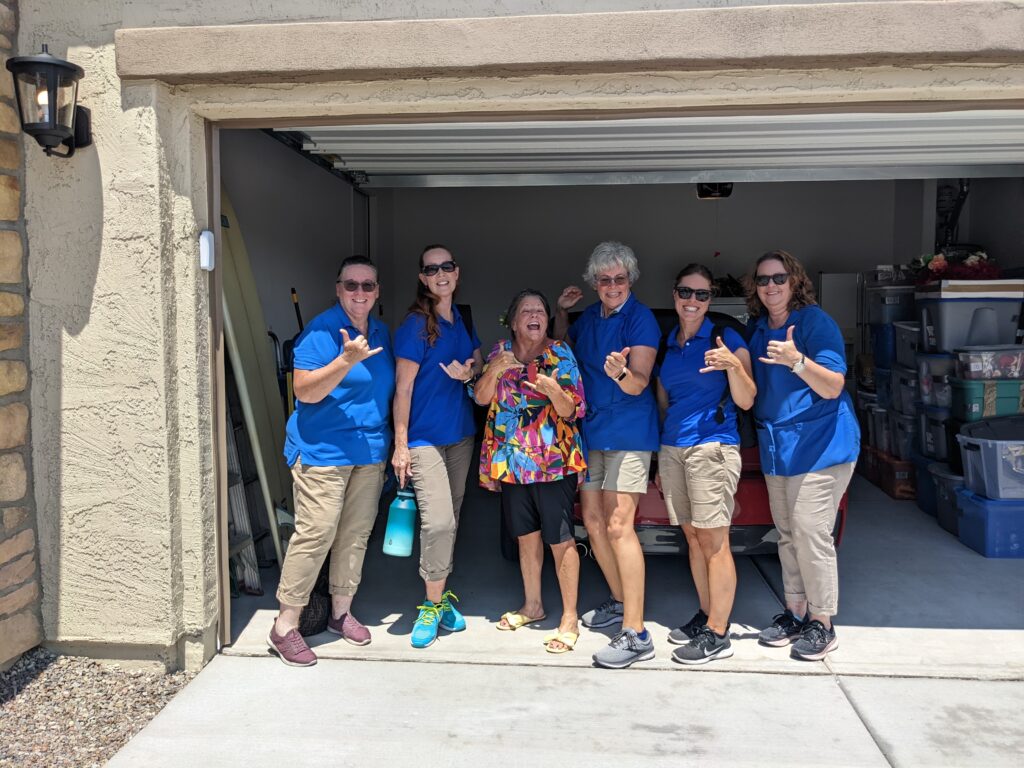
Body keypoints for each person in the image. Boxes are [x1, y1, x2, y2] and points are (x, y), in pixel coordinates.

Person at [268, 255, 394, 667]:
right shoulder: (321, 332)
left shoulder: (381, 332)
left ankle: (341, 612)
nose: (360, 292)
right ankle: (285, 625)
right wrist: (345, 360)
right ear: (338, 289)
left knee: (355, 534)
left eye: (368, 285)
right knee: (316, 533)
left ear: (377, 291)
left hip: (369, 452)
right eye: (351, 285)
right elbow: (304, 392)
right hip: (323, 453)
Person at [747, 250, 860, 661]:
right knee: (788, 534)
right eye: (763, 280)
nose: (771, 286)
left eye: (779, 278)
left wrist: (796, 361)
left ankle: (822, 623)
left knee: (811, 533)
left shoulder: (815, 322)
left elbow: (832, 386)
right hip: (779, 447)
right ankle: (795, 613)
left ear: (794, 281)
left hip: (822, 446)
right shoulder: (758, 329)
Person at [554, 241, 661, 669]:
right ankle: (619, 601)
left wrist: (621, 373)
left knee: (619, 526)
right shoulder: (590, 318)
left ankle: (636, 633)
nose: (612, 285)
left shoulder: (641, 319)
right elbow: (560, 348)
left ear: (630, 279)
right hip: (592, 431)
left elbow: (639, 383)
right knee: (594, 522)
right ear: (594, 283)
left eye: (619, 278)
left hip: (630, 432)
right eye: (604, 279)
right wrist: (561, 312)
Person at [474, 290, 587, 654]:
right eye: (526, 311)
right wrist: (496, 368)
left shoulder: (560, 353)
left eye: (540, 310)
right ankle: (533, 605)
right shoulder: (500, 351)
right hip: (513, 462)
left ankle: (570, 618)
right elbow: (481, 398)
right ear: (513, 320)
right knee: (526, 537)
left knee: (560, 539)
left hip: (553, 462)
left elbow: (573, 410)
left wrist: (553, 389)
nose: (534, 315)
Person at [654, 264, 756, 665]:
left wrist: (733, 365)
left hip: (712, 448)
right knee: (693, 538)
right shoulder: (669, 342)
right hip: (674, 448)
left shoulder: (725, 337)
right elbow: (665, 402)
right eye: (686, 292)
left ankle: (718, 632)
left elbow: (746, 398)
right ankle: (706, 613)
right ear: (675, 295)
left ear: (710, 299)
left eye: (701, 294)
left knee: (715, 542)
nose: (692, 301)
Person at [392, 244, 483, 649]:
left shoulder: (461, 319)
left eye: (447, 267)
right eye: (432, 269)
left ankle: (441, 596)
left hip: (460, 435)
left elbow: (478, 362)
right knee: (438, 523)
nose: (440, 274)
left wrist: (470, 373)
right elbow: (403, 388)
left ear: (457, 272)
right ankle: (430, 606)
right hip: (423, 439)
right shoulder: (415, 325)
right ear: (423, 278)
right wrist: (400, 445)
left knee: (452, 519)